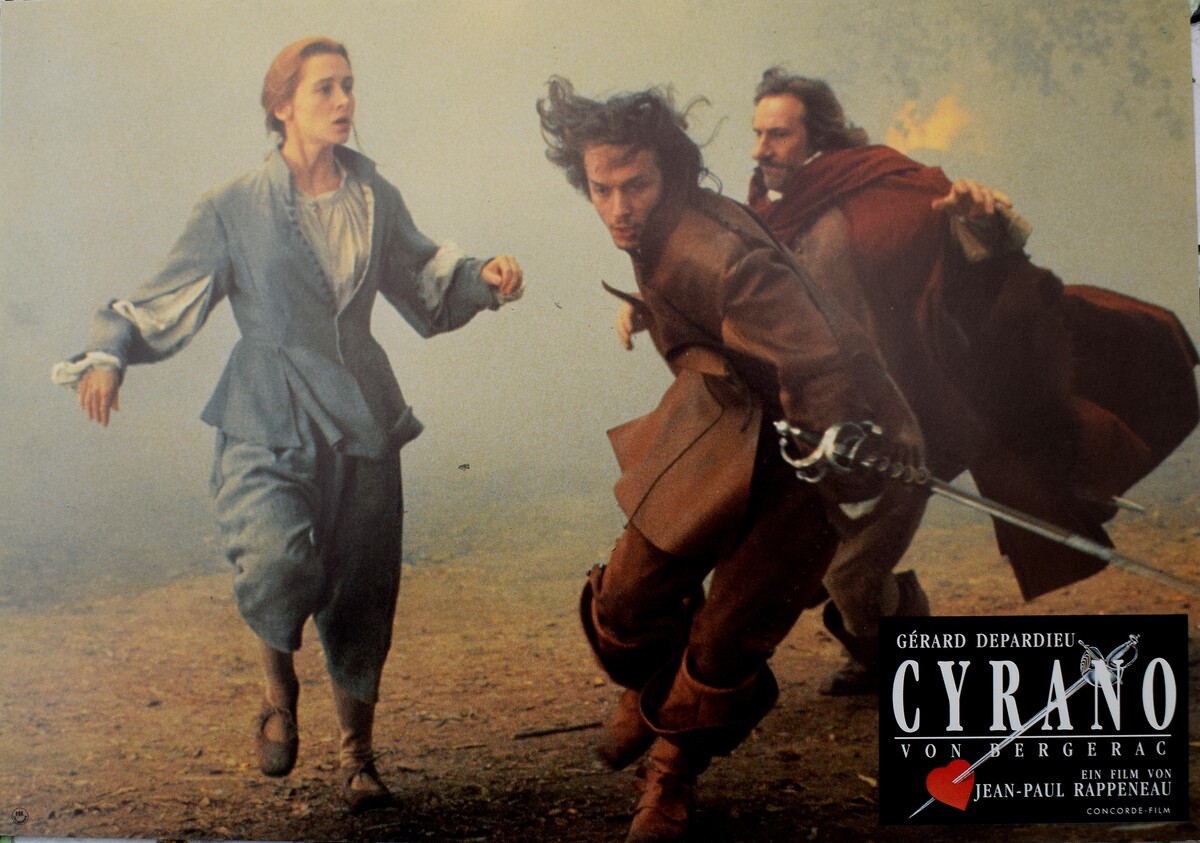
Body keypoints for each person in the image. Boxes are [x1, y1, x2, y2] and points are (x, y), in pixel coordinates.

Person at [52, 36, 524, 812]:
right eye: (324, 89)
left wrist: (487, 277)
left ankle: (358, 758)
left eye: (349, 86)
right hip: (265, 406)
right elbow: (165, 296)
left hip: (363, 408)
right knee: (275, 555)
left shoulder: (375, 196)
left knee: (363, 583)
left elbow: (424, 278)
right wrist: (108, 354)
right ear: (282, 107)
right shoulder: (233, 205)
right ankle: (277, 688)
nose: (344, 101)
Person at [537, 77, 924, 843]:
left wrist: (831, 450)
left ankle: (671, 775)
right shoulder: (657, 234)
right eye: (601, 189)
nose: (618, 207)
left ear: (671, 174)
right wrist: (649, 306)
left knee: (724, 641)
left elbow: (818, 358)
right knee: (624, 603)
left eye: (636, 185)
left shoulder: (720, 253)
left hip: (803, 458)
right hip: (718, 429)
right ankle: (657, 689)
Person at [739, 68, 1198, 693]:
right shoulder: (768, 212)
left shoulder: (884, 189)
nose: (761, 149)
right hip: (832, 420)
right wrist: (649, 306)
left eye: (778, 135)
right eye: (758, 133)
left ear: (818, 138)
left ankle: (893, 663)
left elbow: (977, 260)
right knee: (819, 558)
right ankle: (882, 648)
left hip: (915, 419)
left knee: (850, 574)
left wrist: (981, 220)